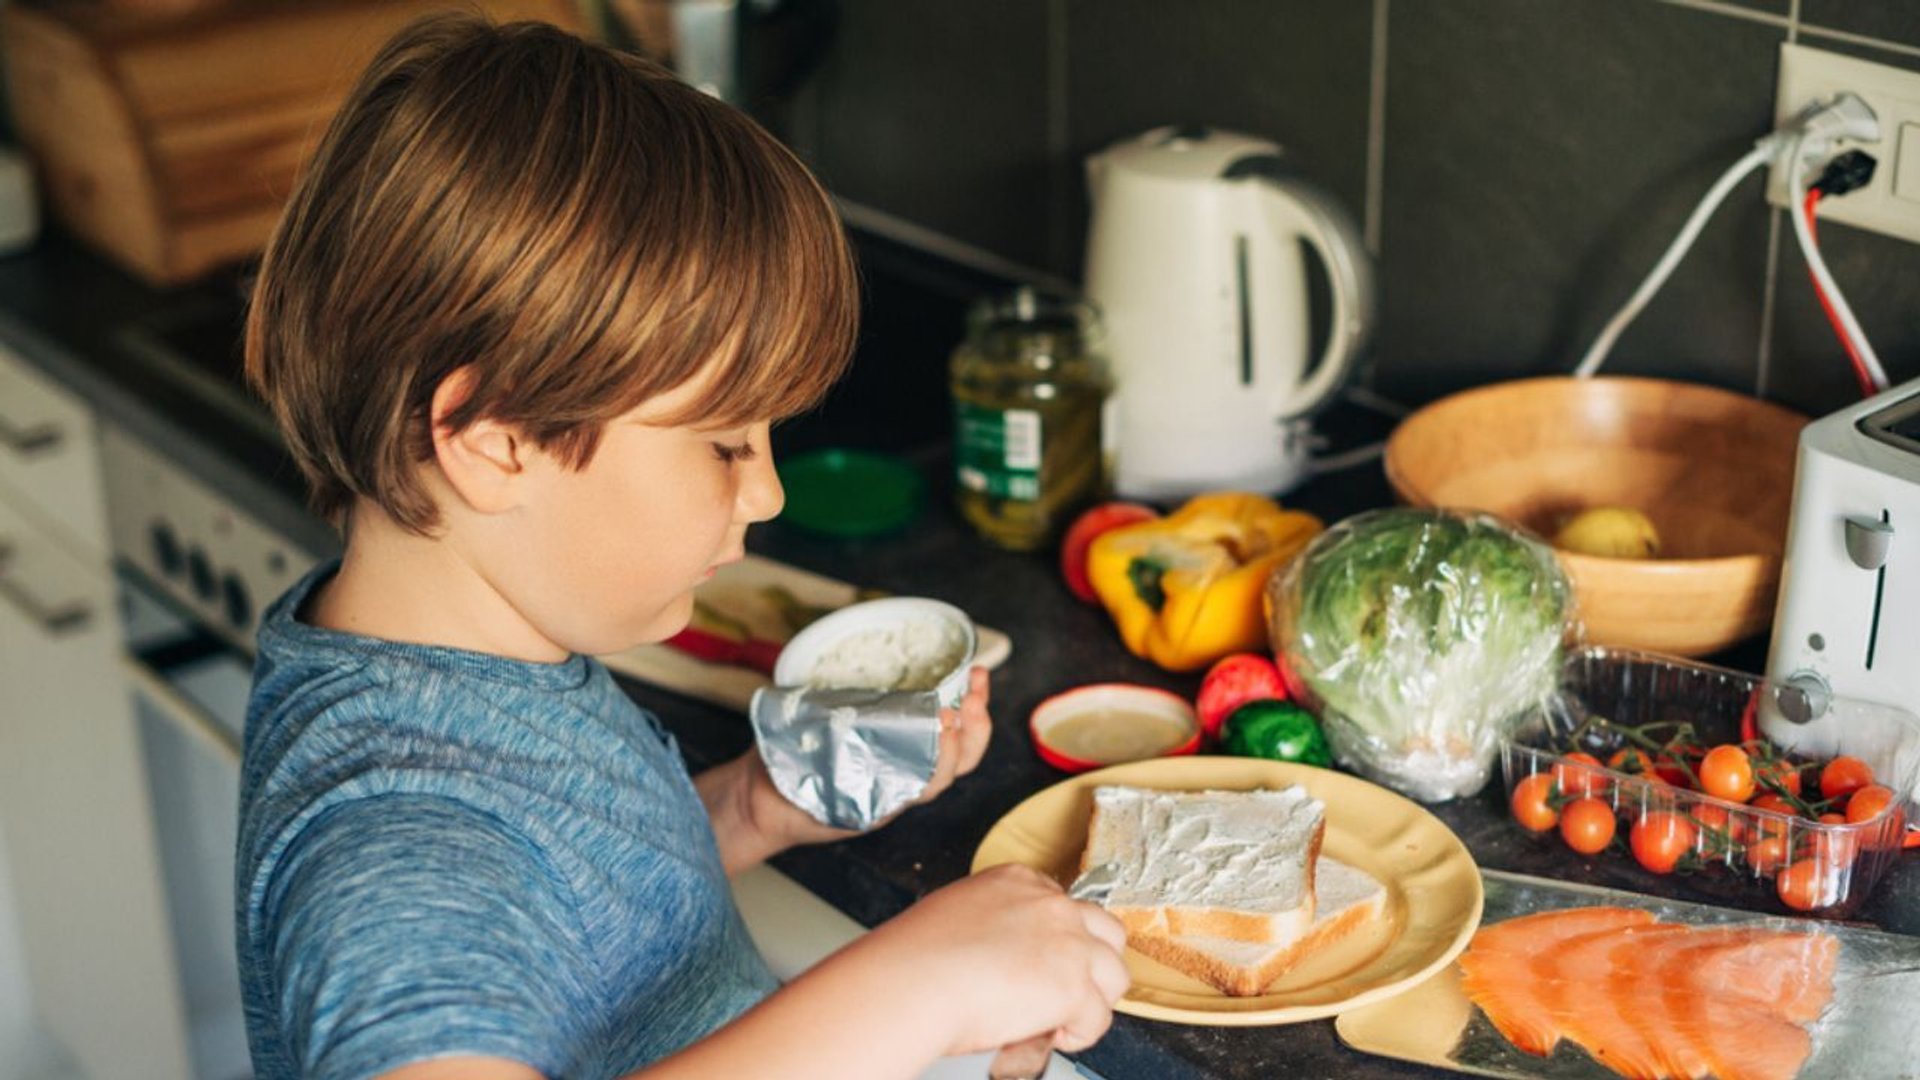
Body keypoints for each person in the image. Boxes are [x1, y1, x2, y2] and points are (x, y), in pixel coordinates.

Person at [235, 14, 1128, 1080]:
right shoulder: (396, 845)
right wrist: (917, 989)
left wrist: (752, 809)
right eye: (722, 442)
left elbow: (576, 919)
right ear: (495, 440)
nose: (765, 490)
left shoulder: (468, 663)